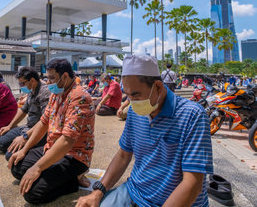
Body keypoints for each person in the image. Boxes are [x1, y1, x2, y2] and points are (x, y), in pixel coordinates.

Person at [76, 55, 213, 207]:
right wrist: (97, 192)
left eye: (135, 94)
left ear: (158, 87)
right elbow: (123, 155)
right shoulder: (136, 112)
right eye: (127, 95)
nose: (132, 101)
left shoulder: (192, 115)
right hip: (134, 191)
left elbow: (192, 183)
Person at [8, 59, 95, 204]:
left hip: (73, 156)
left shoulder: (79, 97)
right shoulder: (56, 94)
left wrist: (37, 167)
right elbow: (43, 122)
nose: (48, 82)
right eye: (47, 77)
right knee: (17, 167)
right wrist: (25, 149)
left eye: (52, 78)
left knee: (32, 194)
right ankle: (54, 172)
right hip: (52, 148)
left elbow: (67, 140)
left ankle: (74, 179)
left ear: (65, 76)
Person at [0, 67, 51, 160]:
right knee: (0, 143)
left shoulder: (45, 92)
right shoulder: (31, 90)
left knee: (10, 156)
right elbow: (23, 110)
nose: (21, 86)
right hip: (27, 127)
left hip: (38, 131)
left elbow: (44, 122)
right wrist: (10, 126)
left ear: (32, 80)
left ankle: (38, 146)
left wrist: (25, 137)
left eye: (22, 83)